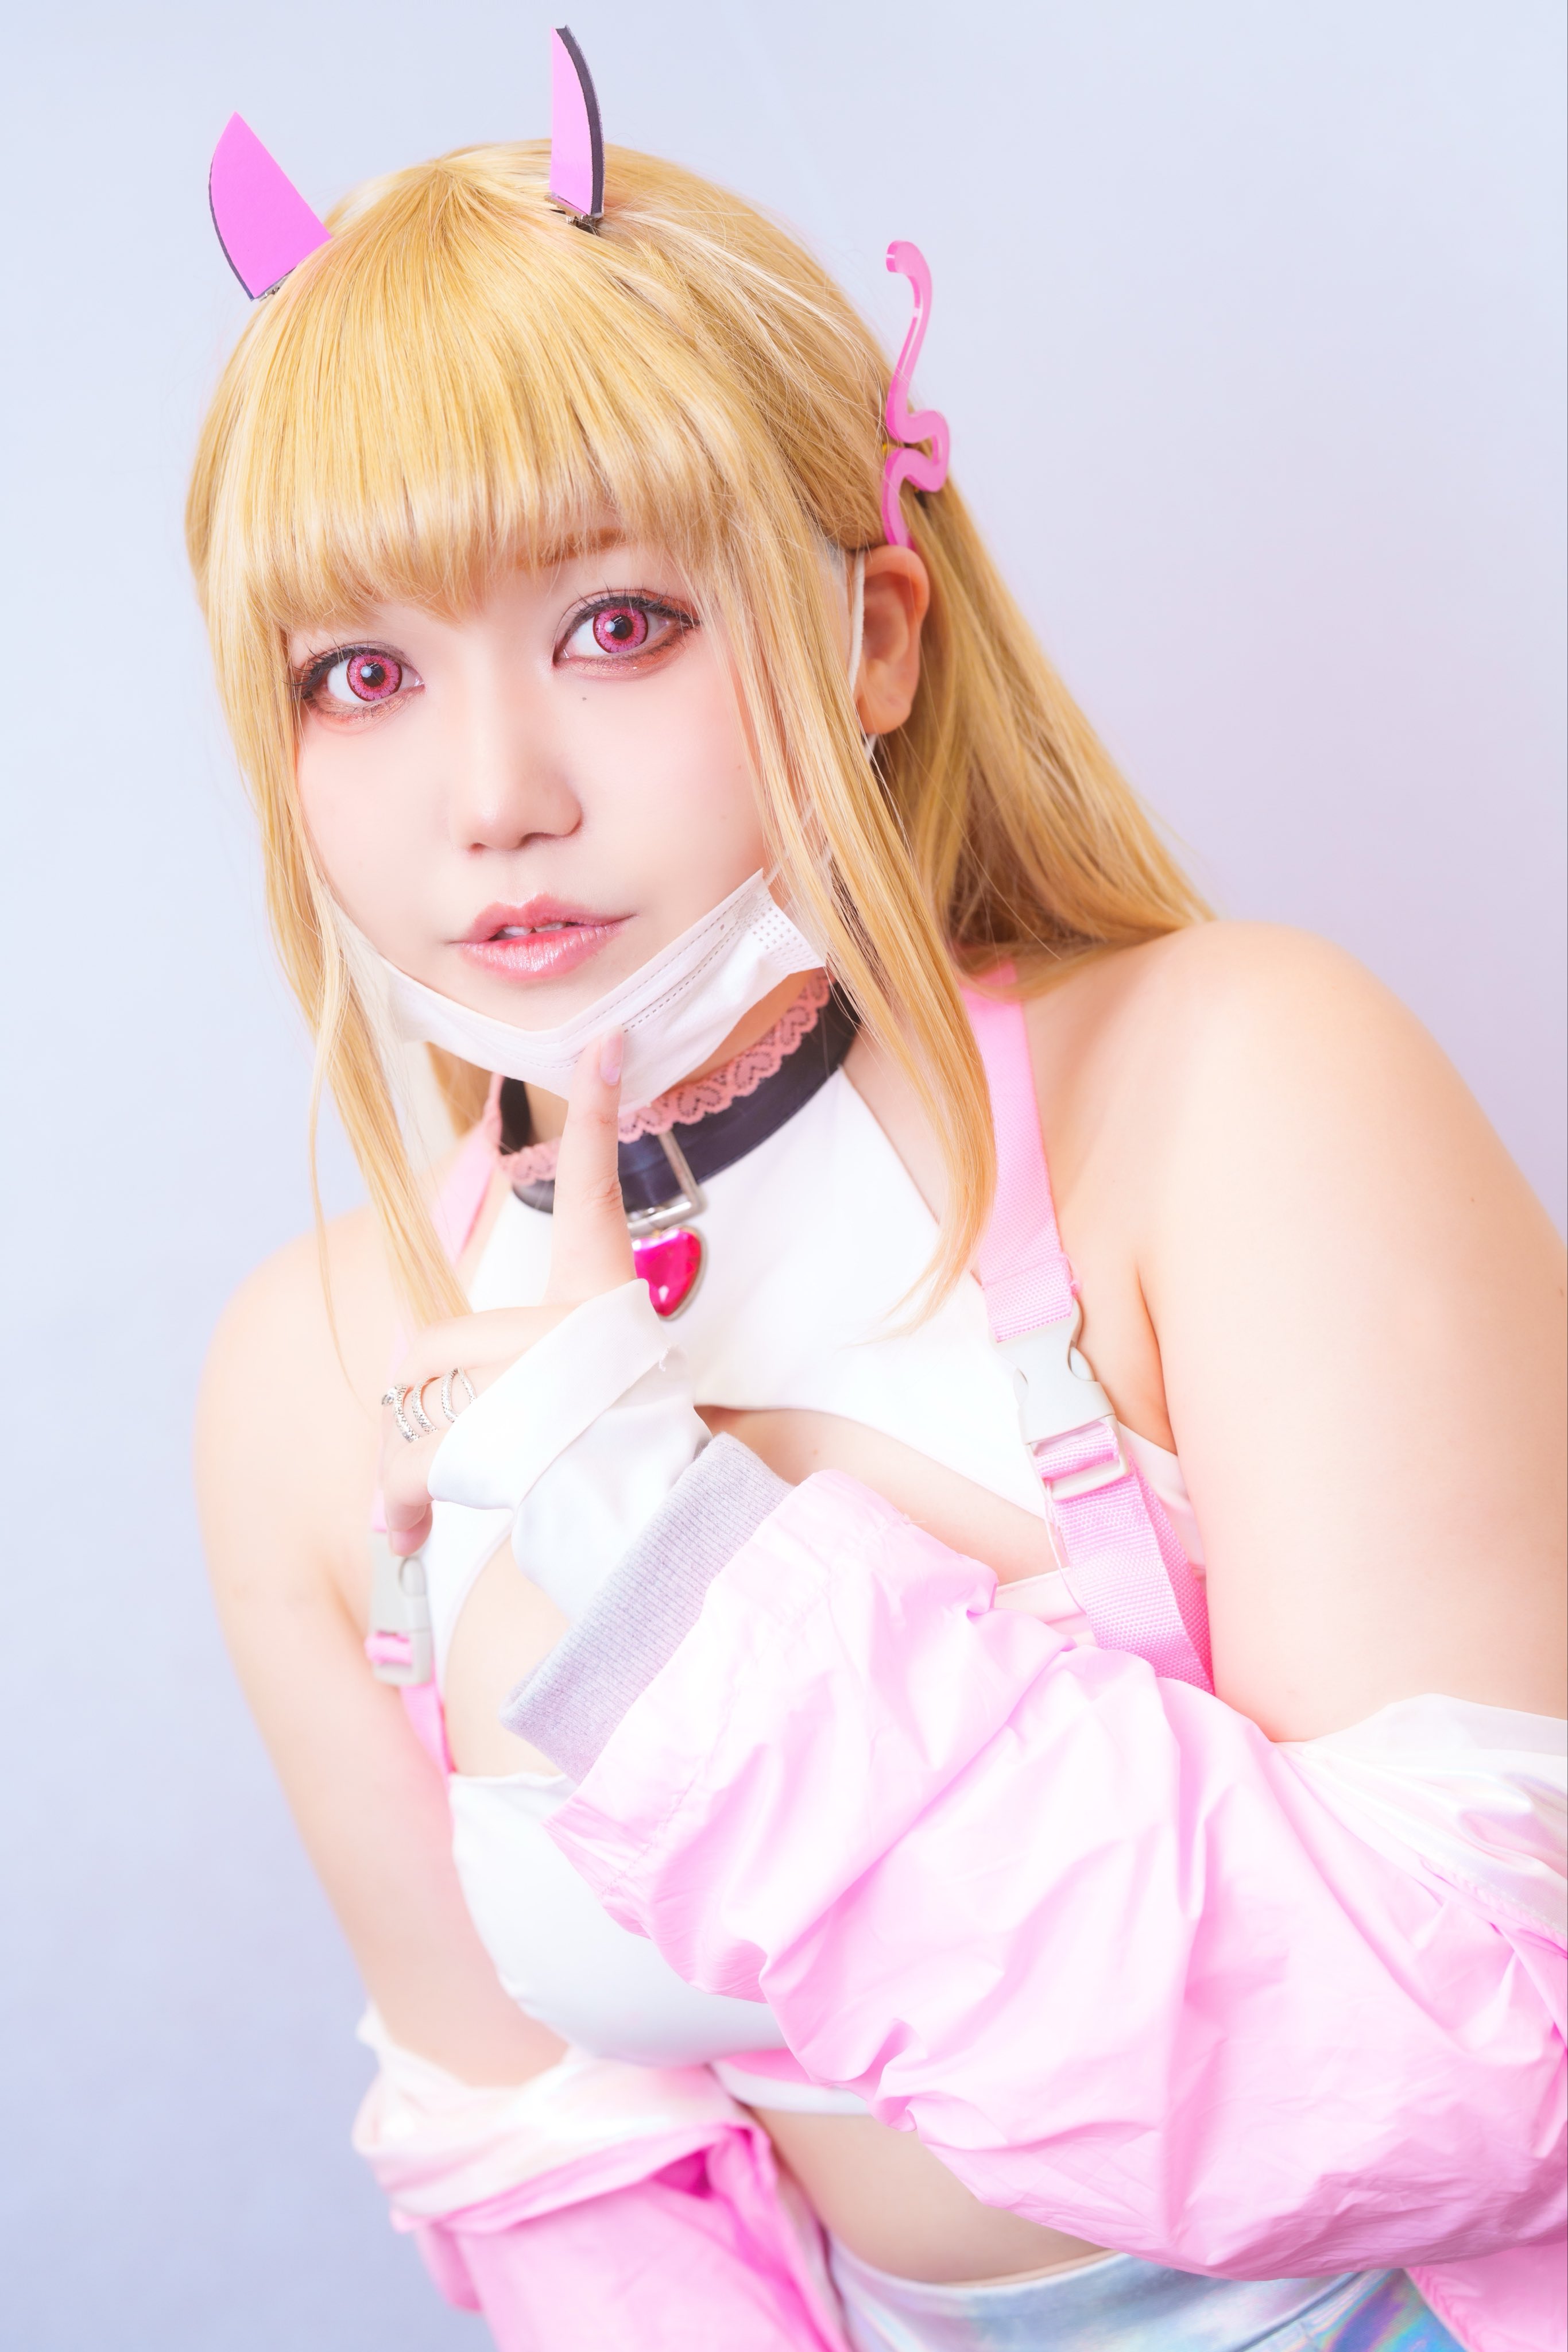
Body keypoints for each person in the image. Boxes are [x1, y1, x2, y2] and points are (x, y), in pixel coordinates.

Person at [189, 84, 1565, 2352]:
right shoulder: (314, 1378)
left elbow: (1472, 2079)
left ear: (877, 635)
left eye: (618, 624)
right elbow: (565, 2173)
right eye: (364, 674)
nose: (491, 797)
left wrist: (665, 1553)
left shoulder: (1228, 1083)